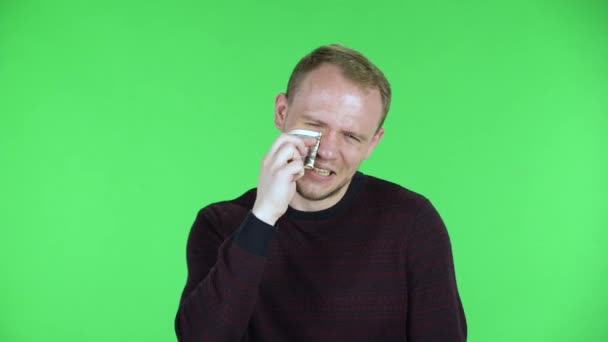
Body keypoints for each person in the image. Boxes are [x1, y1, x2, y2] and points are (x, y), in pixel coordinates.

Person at [174, 44, 467, 341]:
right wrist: (262, 218)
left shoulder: (412, 223)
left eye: (351, 136)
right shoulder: (221, 224)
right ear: (281, 112)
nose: (326, 151)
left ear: (373, 143)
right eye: (314, 125)